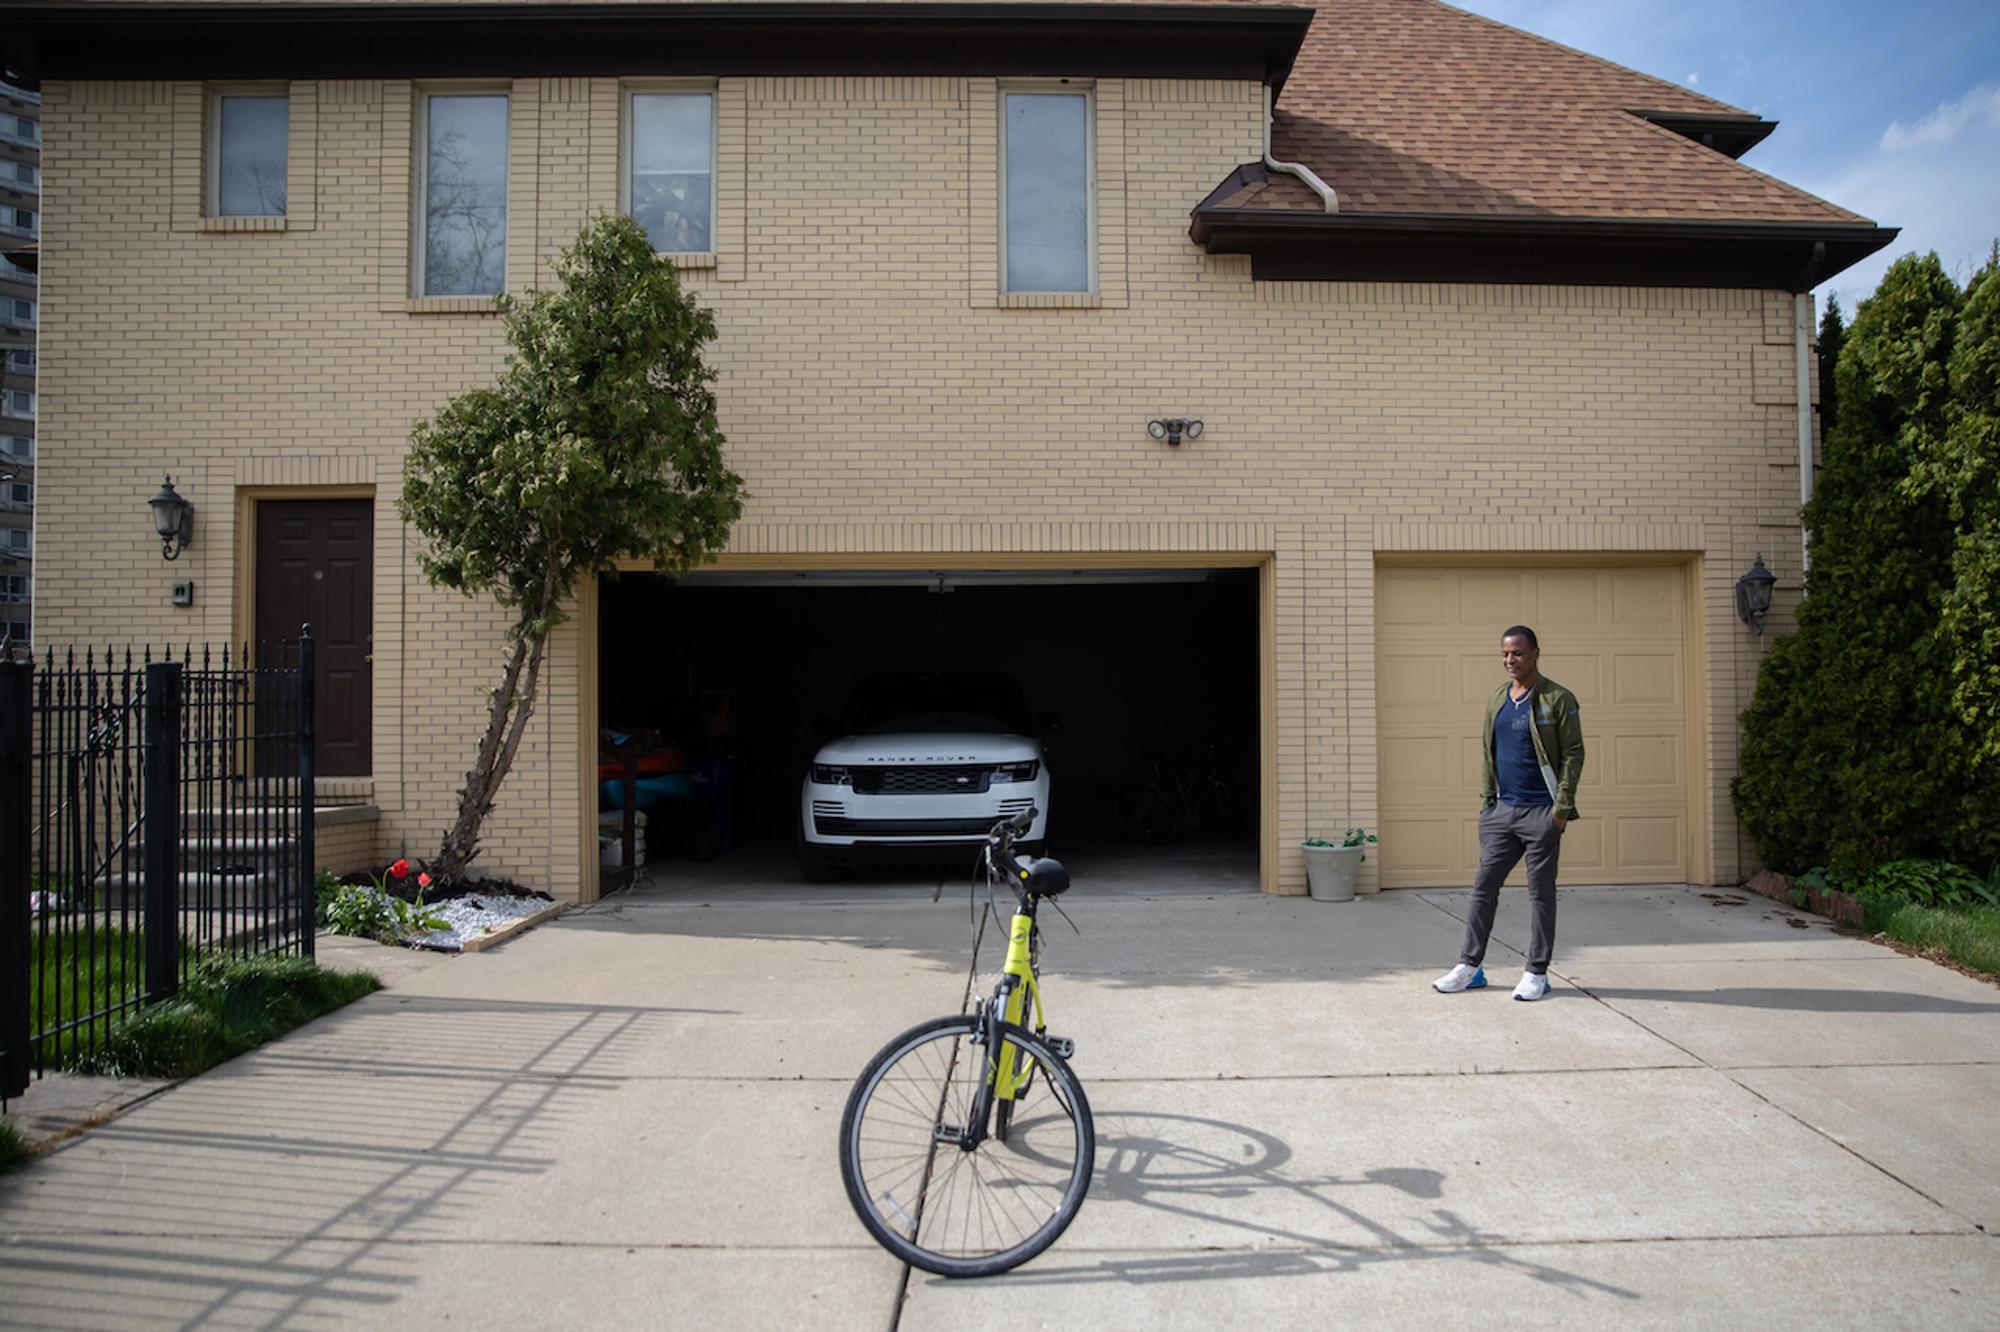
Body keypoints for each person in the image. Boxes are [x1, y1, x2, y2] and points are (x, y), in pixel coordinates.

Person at [1432, 625, 1584, 1002]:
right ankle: (1470, 967)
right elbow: (1488, 753)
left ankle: (1536, 972)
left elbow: (1573, 754)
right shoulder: (1498, 698)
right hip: (1502, 812)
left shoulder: (1557, 698)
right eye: (1504, 654)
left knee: (1540, 894)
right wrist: (1487, 805)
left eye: (1517, 653)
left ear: (1535, 654)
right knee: (1483, 888)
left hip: (1541, 812)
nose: (1509, 660)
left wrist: (1560, 810)